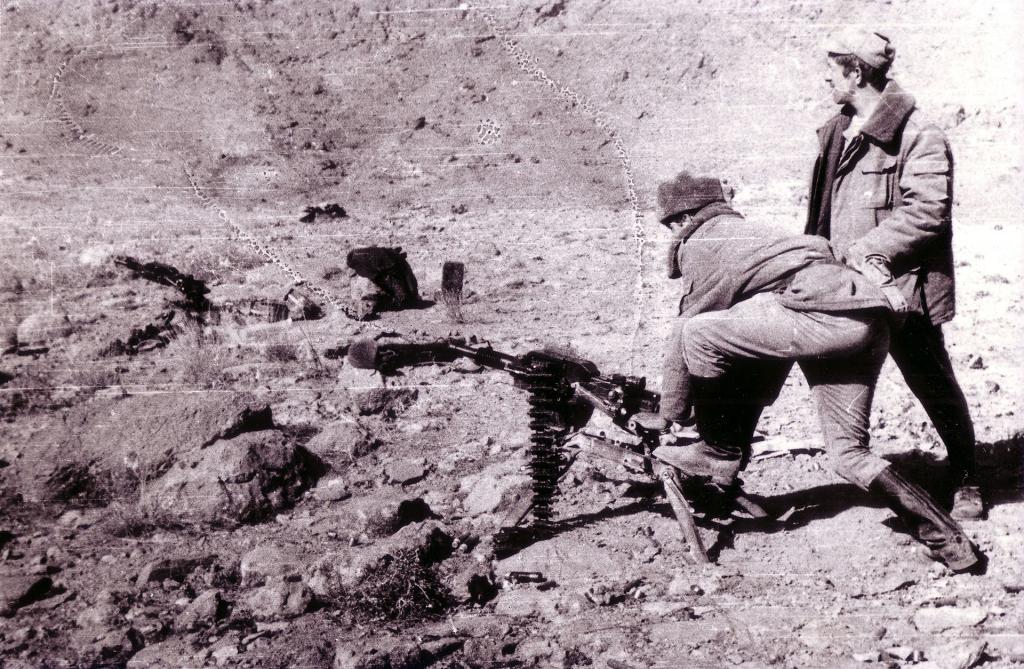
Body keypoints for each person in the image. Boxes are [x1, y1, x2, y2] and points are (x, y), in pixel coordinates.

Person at [648, 171, 980, 573]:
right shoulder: (757, 232)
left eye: (670, 226)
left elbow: (688, 326)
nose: (671, 234)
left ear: (682, 219)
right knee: (848, 454)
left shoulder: (702, 242)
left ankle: (717, 452)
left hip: (823, 321)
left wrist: (671, 415)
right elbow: (765, 345)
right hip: (867, 321)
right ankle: (951, 541)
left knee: (699, 333)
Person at [807, 29, 982, 520]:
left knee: (931, 380)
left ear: (856, 72)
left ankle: (967, 473)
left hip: (906, 292)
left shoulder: (920, 134)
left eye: (832, 68)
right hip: (845, 288)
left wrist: (866, 251)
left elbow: (927, 211)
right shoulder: (834, 130)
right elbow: (822, 212)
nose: (825, 77)